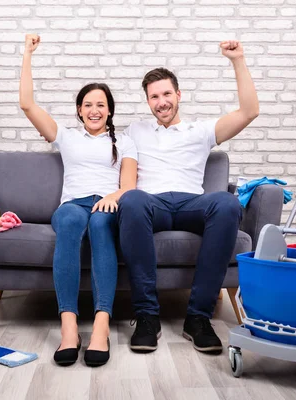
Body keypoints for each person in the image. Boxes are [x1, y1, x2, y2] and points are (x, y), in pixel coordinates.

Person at [118, 40, 259, 354]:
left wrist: (238, 60)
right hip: (150, 204)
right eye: (154, 97)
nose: (161, 102)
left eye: (166, 94)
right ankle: (146, 316)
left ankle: (198, 317)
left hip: (191, 204)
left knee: (226, 202)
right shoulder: (135, 130)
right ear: (148, 102)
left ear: (178, 95)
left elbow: (250, 111)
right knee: (131, 200)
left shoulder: (201, 130)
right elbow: (101, 145)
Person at [20, 34, 138, 367]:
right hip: (72, 205)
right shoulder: (66, 137)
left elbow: (128, 185)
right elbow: (28, 105)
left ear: (110, 110)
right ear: (79, 110)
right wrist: (27, 55)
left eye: (101, 104)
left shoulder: (125, 142)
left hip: (107, 204)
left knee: (101, 224)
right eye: (88, 104)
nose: (94, 109)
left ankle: (100, 326)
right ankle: (69, 328)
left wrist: (112, 198)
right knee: (72, 221)